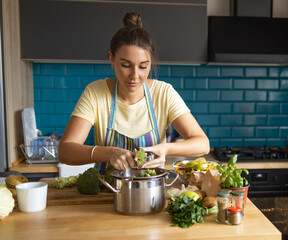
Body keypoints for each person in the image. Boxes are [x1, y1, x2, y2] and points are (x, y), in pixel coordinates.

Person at [58, 12, 209, 173]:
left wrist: (166, 148)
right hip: (108, 191)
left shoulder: (164, 93)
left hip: (152, 191)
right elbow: (66, 151)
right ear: (111, 58)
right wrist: (109, 152)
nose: (135, 76)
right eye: (126, 65)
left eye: (143, 66)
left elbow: (203, 144)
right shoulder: (95, 93)